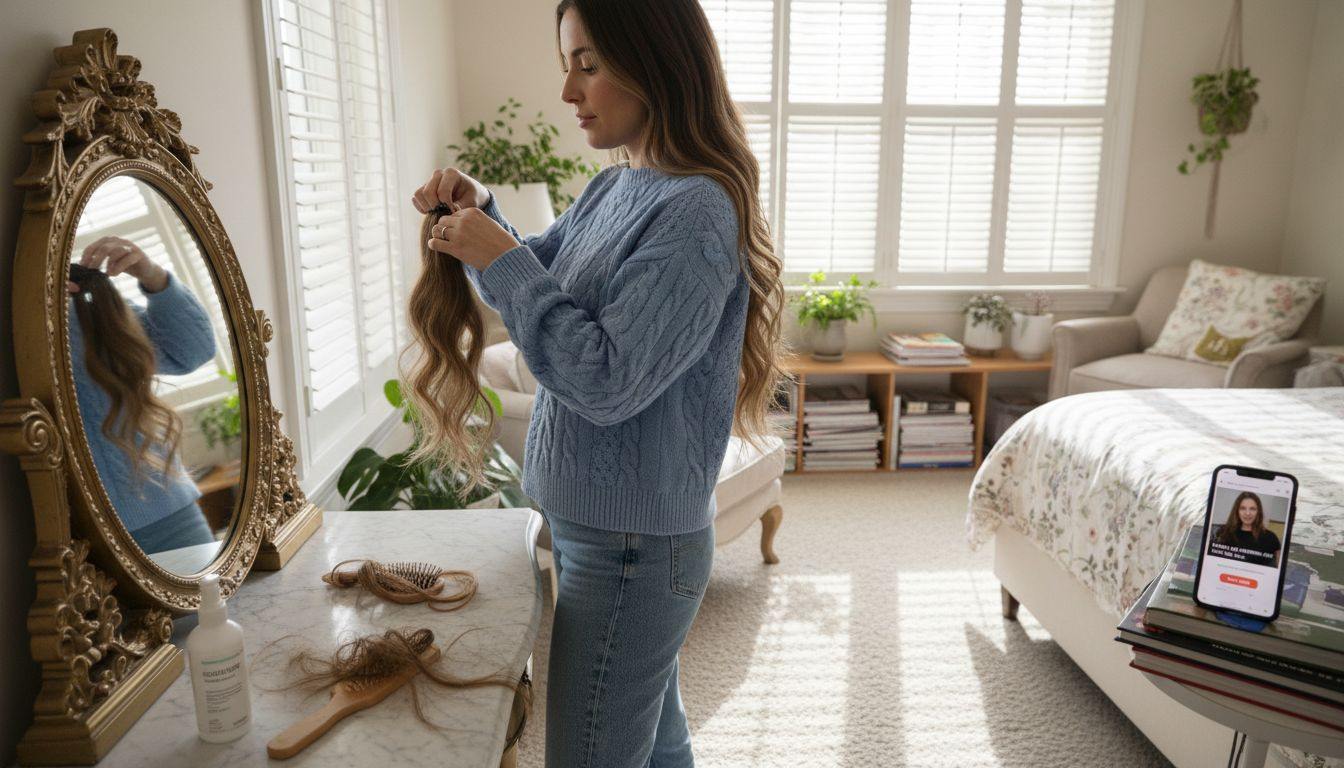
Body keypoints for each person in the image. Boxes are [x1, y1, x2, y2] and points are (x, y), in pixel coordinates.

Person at [409, 1, 785, 763]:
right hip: (605, 536)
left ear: (656, 65)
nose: (569, 92)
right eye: (565, 67)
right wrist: (485, 219)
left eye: (588, 66)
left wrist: (500, 258)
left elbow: (606, 380)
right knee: (655, 743)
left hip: (635, 550)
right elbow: (532, 283)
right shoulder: (618, 187)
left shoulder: (697, 211)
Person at [68, 235, 219, 555]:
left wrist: (154, 278)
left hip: (168, 517)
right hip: (68, 540)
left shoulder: (79, 306)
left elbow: (192, 352)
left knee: (213, 606)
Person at [1214, 491, 1282, 568]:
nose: (1247, 513)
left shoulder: (1271, 538)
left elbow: (1277, 570)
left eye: (1252, 509)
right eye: (1243, 508)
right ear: (1237, 511)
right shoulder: (1223, 532)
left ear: (1258, 512)